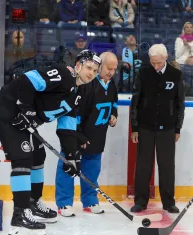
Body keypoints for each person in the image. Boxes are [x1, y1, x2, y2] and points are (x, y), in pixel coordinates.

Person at [0, 49, 101, 235]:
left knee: (37, 155)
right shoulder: (63, 74)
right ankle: (20, 213)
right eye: (88, 67)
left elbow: (67, 129)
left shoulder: (76, 95)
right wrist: (25, 109)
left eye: (95, 71)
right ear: (78, 65)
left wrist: (71, 157)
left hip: (23, 119)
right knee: (23, 158)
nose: (91, 73)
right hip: (8, 110)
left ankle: (33, 203)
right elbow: (27, 80)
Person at [55, 52, 119, 216]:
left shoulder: (111, 85)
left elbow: (114, 103)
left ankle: (90, 201)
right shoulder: (86, 84)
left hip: (97, 136)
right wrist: (79, 136)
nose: (111, 72)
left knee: (92, 170)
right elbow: (74, 112)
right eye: (108, 68)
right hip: (77, 135)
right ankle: (64, 203)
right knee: (68, 166)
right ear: (100, 66)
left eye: (114, 69)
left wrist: (114, 115)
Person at [130, 44, 185, 213]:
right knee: (143, 165)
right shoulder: (143, 73)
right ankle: (140, 200)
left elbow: (179, 104)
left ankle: (169, 202)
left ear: (166, 58)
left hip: (167, 129)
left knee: (167, 166)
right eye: (153, 62)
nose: (156, 66)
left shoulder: (176, 75)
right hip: (145, 127)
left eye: (159, 63)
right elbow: (136, 101)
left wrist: (177, 128)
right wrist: (135, 127)